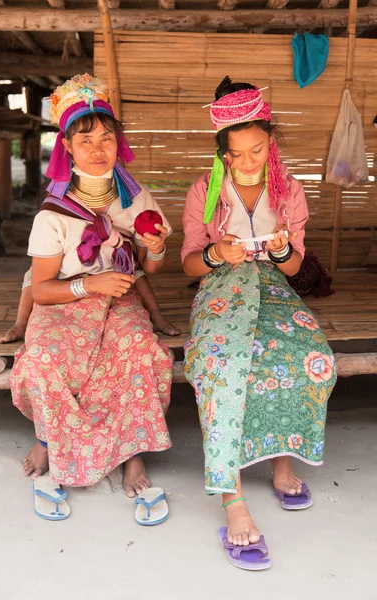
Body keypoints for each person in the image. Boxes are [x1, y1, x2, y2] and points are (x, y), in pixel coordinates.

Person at [182, 77, 337, 559]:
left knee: (310, 357)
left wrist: (284, 248)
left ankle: (282, 461)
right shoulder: (204, 191)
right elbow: (188, 261)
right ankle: (232, 499)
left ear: (270, 141)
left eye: (258, 149)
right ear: (223, 153)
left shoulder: (289, 189)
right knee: (221, 365)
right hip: (220, 288)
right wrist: (215, 253)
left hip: (272, 286)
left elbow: (294, 267)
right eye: (238, 153)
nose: (249, 161)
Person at [10, 73, 174, 500]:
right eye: (86, 141)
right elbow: (42, 289)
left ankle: (133, 448)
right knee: (44, 355)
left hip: (120, 301)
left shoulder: (137, 198)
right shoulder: (52, 214)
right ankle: (49, 439)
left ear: (118, 141)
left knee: (138, 347)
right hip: (66, 301)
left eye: (106, 138)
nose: (98, 149)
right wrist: (90, 284)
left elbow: (149, 270)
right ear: (66, 146)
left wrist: (154, 248)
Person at [0, 267, 180, 345]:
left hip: (112, 300)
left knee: (134, 336)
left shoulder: (112, 238)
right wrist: (21, 324)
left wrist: (156, 314)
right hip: (65, 303)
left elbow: (137, 275)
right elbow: (34, 284)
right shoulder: (50, 247)